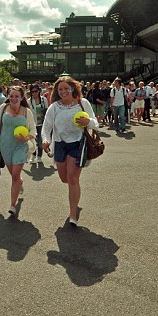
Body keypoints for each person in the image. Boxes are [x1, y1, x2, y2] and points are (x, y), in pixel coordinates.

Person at [41, 76, 98, 226]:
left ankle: (73, 215)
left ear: (73, 88)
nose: (63, 91)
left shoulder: (82, 103)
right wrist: (45, 140)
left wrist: (88, 122)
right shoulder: (54, 107)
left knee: (73, 179)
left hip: (78, 144)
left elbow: (95, 123)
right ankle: (74, 197)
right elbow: (46, 128)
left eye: (66, 88)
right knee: (64, 179)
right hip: (60, 145)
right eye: (60, 89)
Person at [0, 86, 36, 216]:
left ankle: (12, 205)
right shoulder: (3, 108)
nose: (14, 99)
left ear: (22, 98)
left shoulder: (27, 112)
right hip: (5, 146)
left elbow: (33, 131)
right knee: (14, 176)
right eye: (11, 96)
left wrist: (26, 138)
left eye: (17, 96)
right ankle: (20, 182)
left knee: (15, 175)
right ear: (8, 96)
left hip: (21, 147)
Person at [29, 85, 48, 162]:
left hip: (42, 123)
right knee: (32, 140)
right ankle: (33, 155)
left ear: (39, 91)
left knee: (40, 140)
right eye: (32, 92)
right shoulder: (29, 101)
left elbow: (47, 111)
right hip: (32, 123)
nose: (34, 93)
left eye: (36, 91)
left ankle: (39, 155)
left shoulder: (44, 100)